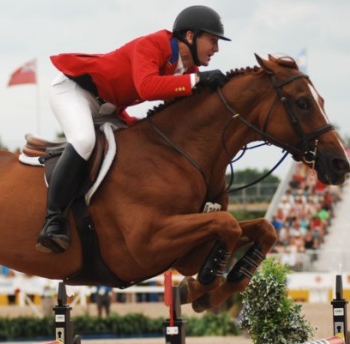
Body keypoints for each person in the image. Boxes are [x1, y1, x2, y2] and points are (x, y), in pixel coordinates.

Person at [36, 5, 230, 253]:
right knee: (84, 141)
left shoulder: (187, 70)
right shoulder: (152, 45)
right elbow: (147, 87)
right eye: (212, 41)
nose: (216, 49)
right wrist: (197, 81)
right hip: (75, 93)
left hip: (109, 109)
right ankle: (53, 221)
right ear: (190, 36)